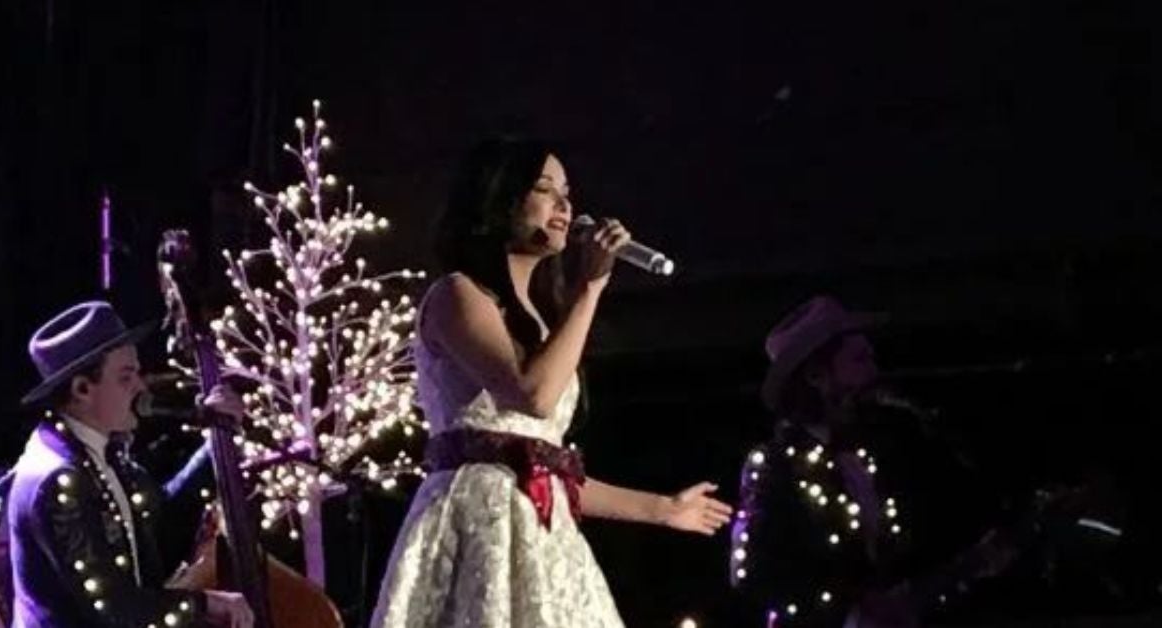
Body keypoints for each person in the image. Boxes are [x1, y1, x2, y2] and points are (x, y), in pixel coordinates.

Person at [369, 138, 733, 627]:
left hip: (544, 540)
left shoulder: (543, 325)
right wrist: (591, 288)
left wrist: (663, 509)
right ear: (499, 199)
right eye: (544, 189)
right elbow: (533, 396)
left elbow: (545, 466)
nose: (564, 205)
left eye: (567, 193)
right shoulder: (456, 294)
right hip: (478, 529)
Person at [729, 296, 1009, 627]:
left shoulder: (865, 456)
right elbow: (754, 574)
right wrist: (850, 609)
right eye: (859, 360)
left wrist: (972, 563)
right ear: (817, 376)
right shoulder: (776, 464)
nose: (874, 371)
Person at [8, 300, 254, 627]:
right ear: (83, 389)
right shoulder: (57, 480)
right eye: (126, 377)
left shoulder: (99, 449)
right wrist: (205, 604)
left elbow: (159, 519)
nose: (140, 386)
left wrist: (216, 448)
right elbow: (115, 608)